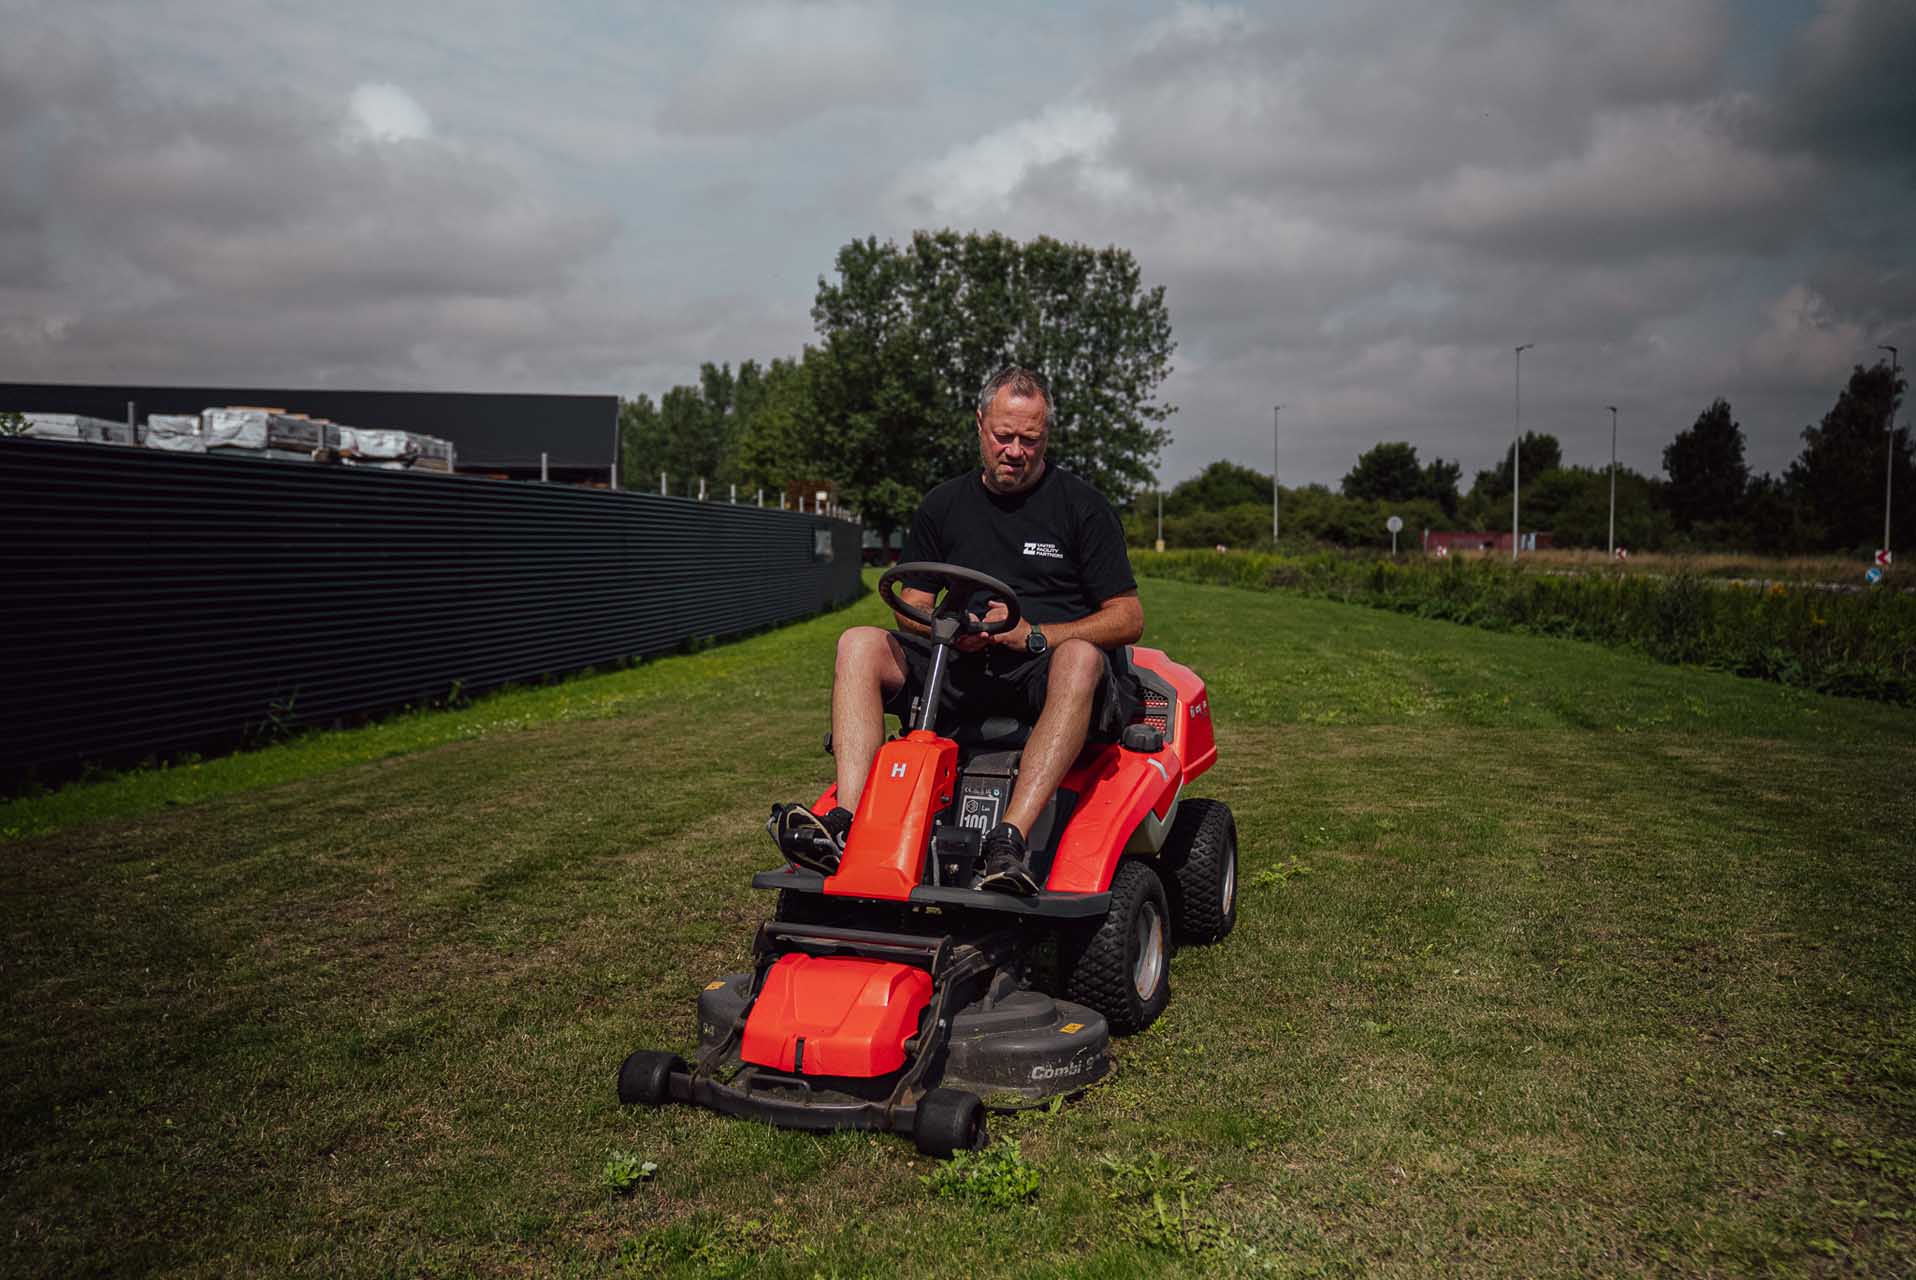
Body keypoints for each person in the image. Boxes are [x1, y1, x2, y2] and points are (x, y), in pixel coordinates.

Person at [772, 365, 1144, 895]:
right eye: (1003, 436)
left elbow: (1128, 617)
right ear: (979, 425)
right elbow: (913, 603)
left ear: (1046, 437)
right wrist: (947, 625)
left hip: (1043, 666)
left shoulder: (1083, 508)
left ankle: (1008, 840)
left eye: (1029, 439)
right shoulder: (943, 505)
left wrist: (1033, 635)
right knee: (857, 642)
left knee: (1082, 657)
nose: (1015, 450)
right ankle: (845, 824)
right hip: (960, 660)